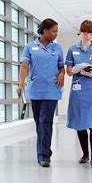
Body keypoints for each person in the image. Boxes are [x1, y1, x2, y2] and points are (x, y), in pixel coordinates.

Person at [17, 18, 65, 167]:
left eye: (57, 31)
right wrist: (20, 85)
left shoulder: (57, 48)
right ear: (45, 31)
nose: (56, 34)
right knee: (39, 122)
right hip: (36, 90)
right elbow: (24, 66)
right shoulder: (30, 47)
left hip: (52, 89)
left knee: (46, 121)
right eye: (54, 31)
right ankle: (45, 149)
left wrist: (62, 74)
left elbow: (61, 67)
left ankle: (43, 156)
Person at [65, 20, 92, 167]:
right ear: (80, 32)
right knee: (81, 123)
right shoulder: (72, 49)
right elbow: (69, 71)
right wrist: (76, 70)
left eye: (90, 33)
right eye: (85, 33)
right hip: (78, 91)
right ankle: (85, 154)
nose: (88, 36)